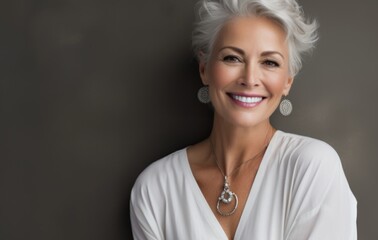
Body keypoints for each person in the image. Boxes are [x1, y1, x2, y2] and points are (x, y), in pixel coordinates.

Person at [130, 0, 357, 239]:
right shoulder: (155, 189)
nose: (250, 79)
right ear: (204, 69)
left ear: (288, 80)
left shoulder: (313, 168)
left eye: (270, 62)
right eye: (232, 58)